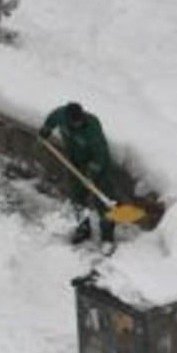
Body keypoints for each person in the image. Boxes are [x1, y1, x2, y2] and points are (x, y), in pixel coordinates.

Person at [39, 102, 116, 247]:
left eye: (80, 122)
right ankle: (83, 228)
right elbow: (53, 118)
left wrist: (92, 170)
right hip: (75, 163)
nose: (78, 125)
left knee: (103, 201)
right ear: (68, 119)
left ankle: (107, 238)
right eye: (75, 123)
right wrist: (46, 129)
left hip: (98, 165)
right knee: (76, 196)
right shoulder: (61, 114)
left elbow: (101, 153)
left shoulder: (92, 126)